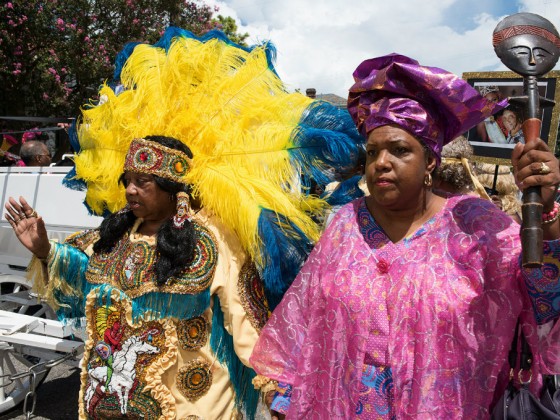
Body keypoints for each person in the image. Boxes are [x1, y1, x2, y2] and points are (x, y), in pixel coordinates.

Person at [4, 28, 362, 420]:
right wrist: (43, 248)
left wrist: (277, 388)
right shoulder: (117, 233)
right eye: (127, 181)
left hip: (193, 403)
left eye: (144, 182)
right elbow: (81, 274)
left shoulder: (212, 239)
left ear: (175, 191)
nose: (130, 191)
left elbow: (246, 316)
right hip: (112, 400)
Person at [249, 53, 560, 418]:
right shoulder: (346, 224)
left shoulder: (474, 224)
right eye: (374, 151)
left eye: (399, 150)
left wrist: (547, 212)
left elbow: (544, 297)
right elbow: (303, 320)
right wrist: (284, 399)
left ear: (430, 161)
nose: (382, 162)